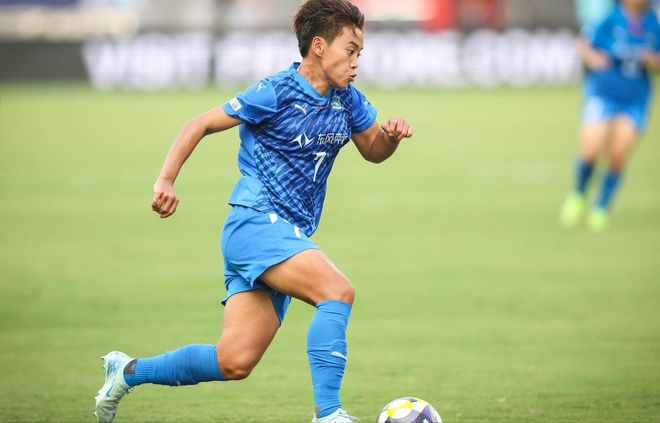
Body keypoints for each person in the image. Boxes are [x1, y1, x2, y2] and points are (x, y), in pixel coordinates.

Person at [93, 1, 414, 422]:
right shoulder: (275, 92)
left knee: (234, 361)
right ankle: (329, 413)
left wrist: (390, 137)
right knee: (337, 291)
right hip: (255, 222)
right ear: (319, 46)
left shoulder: (347, 100)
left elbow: (372, 149)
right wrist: (165, 180)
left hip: (284, 236)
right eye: (349, 51)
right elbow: (199, 124)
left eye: (360, 54)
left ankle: (127, 372)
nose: (356, 63)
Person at [560, 0, 660, 231]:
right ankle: (579, 193)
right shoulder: (610, 19)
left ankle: (601, 206)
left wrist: (652, 61)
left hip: (635, 100)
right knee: (590, 152)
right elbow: (583, 43)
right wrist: (593, 58)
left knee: (617, 156)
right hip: (603, 95)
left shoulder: (653, 23)